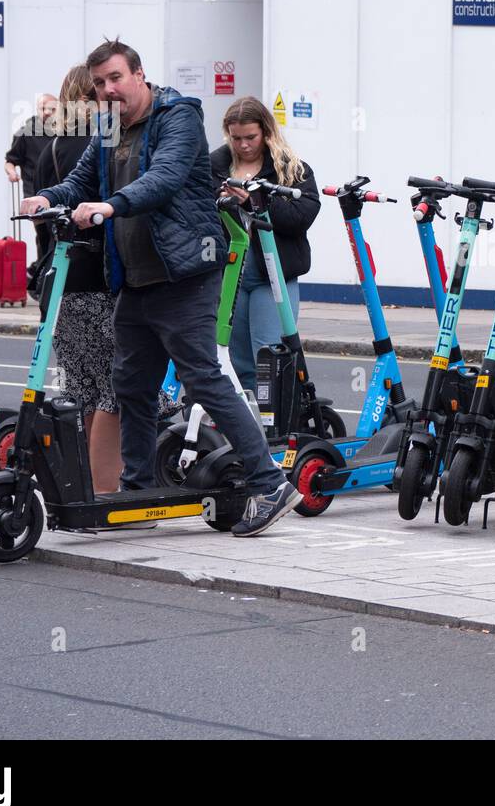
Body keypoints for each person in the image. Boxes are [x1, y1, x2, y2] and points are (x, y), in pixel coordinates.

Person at [22, 38, 298, 537]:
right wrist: (46, 197)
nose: (109, 90)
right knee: (131, 385)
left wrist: (111, 207)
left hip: (186, 273)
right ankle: (136, 489)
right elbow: (84, 180)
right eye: (100, 84)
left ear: (139, 75)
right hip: (135, 277)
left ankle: (269, 482)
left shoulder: (179, 116)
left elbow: (165, 178)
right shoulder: (108, 126)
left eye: (116, 79)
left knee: (203, 378)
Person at [31, 66, 123, 493]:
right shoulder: (102, 143)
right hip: (98, 276)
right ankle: (107, 489)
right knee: (118, 388)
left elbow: (40, 220)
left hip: (59, 278)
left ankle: (84, 482)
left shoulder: (48, 146)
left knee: (82, 389)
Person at [209, 97, 320, 392]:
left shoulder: (293, 169)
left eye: (251, 137)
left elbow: (301, 216)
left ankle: (275, 428)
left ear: (266, 132)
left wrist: (258, 201)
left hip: (272, 277)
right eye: (236, 138)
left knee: (268, 357)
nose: (244, 145)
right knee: (237, 360)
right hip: (230, 275)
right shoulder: (214, 167)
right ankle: (247, 426)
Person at [6, 93, 60, 270]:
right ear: (38, 109)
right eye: (43, 108)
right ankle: (42, 273)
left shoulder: (62, 132)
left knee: (57, 234)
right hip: (33, 192)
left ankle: (44, 270)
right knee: (43, 233)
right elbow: (10, 160)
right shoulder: (25, 132)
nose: (47, 112)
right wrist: (12, 172)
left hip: (57, 191)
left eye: (51, 109)